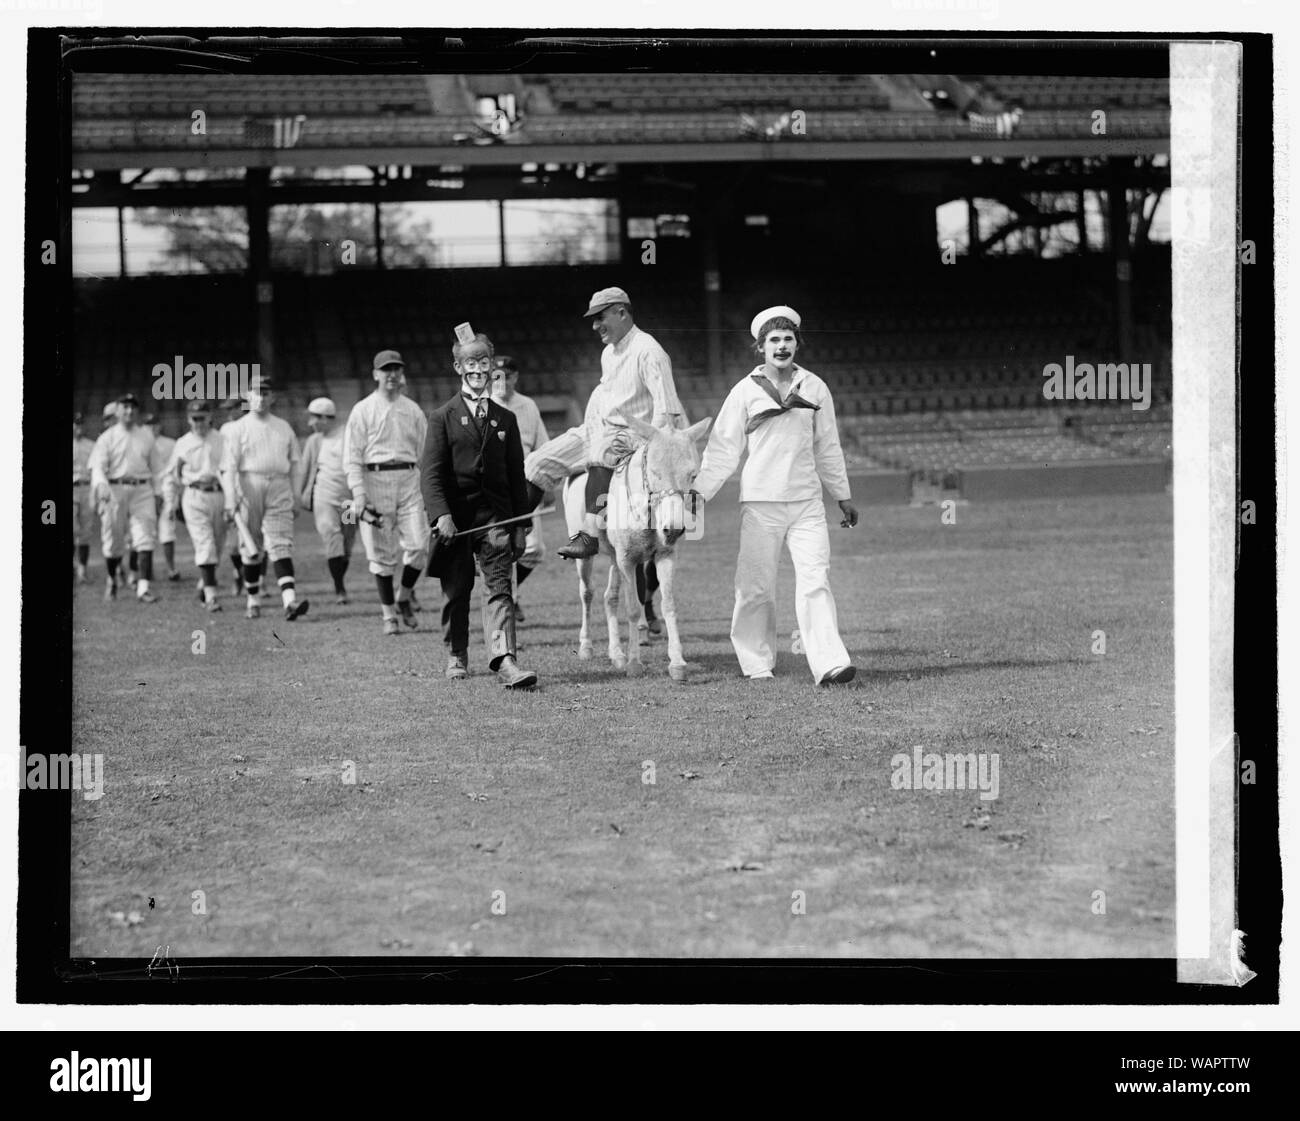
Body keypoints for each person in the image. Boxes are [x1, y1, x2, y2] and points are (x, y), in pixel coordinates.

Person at [692, 305, 860, 686]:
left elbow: (828, 446)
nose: (782, 347)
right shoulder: (745, 390)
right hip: (760, 504)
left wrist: (842, 494)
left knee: (816, 580)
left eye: (788, 339)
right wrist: (698, 493)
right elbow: (722, 449)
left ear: (797, 343)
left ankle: (830, 663)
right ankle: (756, 662)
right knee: (755, 586)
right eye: (774, 341)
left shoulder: (815, 387)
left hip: (806, 503)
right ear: (760, 348)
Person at [524, 287, 687, 559]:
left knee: (602, 450)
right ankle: (516, 530)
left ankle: (588, 534)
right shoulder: (609, 353)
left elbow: (667, 410)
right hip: (601, 429)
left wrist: (654, 448)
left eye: (600, 317)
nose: (595, 325)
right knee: (537, 462)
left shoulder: (649, 351)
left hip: (637, 434)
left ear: (621, 312)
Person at [420, 329, 537, 688]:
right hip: (456, 522)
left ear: (491, 368)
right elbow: (431, 474)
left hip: (497, 520)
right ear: (458, 366)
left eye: (484, 361)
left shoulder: (506, 419)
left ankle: (505, 661)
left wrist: (520, 524)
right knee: (457, 591)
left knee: (499, 588)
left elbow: (517, 476)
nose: (478, 368)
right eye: (471, 362)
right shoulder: (441, 417)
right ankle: (457, 654)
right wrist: (442, 516)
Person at [343, 350, 430, 635]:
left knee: (419, 545)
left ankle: (403, 596)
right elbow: (352, 456)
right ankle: (388, 614)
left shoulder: (412, 409)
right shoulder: (363, 409)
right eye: (386, 369)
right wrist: (358, 494)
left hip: (408, 477)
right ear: (375, 374)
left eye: (396, 369)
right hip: (374, 478)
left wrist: (428, 487)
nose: (391, 374)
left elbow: (425, 454)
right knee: (381, 554)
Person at [220, 375, 309, 622]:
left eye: (264, 392)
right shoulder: (239, 428)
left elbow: (296, 465)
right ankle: (253, 599)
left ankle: (289, 601)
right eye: (255, 392)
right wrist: (230, 499)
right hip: (249, 483)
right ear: (248, 397)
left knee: (280, 543)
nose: (259, 397)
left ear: (272, 397)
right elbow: (228, 467)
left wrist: (296, 494)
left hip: (279, 484)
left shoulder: (283, 427)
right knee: (251, 547)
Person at [88, 393, 165, 603]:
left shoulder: (146, 435)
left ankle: (143, 587)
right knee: (113, 540)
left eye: (133, 407)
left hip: (142, 490)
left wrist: (158, 492)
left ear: (137, 411)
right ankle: (112, 578)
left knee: (145, 537)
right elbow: (98, 468)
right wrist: (101, 485)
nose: (129, 411)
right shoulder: (107, 437)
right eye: (125, 407)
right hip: (115, 489)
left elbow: (157, 468)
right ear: (118, 411)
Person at [491, 354, 550, 620]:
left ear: (515, 377)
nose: (502, 380)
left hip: (525, 481)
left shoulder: (528, 405)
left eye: (508, 374)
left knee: (534, 550)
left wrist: (546, 484)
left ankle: (508, 593)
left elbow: (543, 446)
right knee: (500, 547)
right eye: (497, 375)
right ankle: (507, 598)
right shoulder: (484, 404)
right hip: (495, 484)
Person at [170, 400, 227, 612]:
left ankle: (205, 583)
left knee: (218, 545)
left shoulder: (222, 440)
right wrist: (172, 501)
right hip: (194, 494)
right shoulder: (183, 443)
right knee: (205, 544)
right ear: (188, 420)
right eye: (195, 419)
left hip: (219, 494)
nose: (199, 423)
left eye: (202, 418)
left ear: (210, 417)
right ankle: (212, 597)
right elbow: (173, 475)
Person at [299, 397, 357, 604]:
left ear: (325, 417)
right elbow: (304, 470)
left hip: (349, 502)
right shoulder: (314, 441)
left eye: (313, 418)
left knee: (347, 541)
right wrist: (302, 494)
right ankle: (340, 588)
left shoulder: (348, 437)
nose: (310, 424)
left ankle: (339, 581)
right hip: (324, 497)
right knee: (332, 536)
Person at [218, 396, 249, 595]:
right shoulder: (225, 429)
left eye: (233, 408)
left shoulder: (253, 425)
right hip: (231, 485)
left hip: (251, 484)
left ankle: (259, 580)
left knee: (256, 534)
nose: (229, 412)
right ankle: (239, 573)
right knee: (233, 538)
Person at [144, 413, 180, 581]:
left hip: (166, 489)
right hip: (145, 491)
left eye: (155, 424)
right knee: (145, 533)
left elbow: (173, 470)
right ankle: (146, 569)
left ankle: (170, 567)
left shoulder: (170, 443)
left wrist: (171, 495)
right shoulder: (141, 443)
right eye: (148, 424)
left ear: (160, 425)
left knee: (167, 531)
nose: (152, 427)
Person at [72, 412, 96, 584]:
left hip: (87, 488)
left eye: (80, 424)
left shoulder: (92, 445)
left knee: (86, 532)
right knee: (72, 530)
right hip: (72, 489)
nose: (78, 427)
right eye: (75, 424)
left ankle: (83, 570)